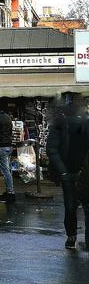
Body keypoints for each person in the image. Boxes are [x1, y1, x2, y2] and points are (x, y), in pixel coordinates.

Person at [47, 106, 89, 250]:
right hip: (73, 172)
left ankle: (72, 237)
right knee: (74, 206)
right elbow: (52, 149)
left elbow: (52, 150)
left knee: (72, 206)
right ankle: (72, 236)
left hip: (77, 172)